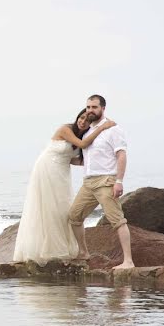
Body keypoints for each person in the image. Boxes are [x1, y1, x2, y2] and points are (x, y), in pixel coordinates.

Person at [13, 108, 116, 263]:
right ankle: (47, 249)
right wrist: (102, 127)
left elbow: (76, 160)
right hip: (47, 167)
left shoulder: (83, 135)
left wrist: (106, 160)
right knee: (49, 206)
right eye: (81, 118)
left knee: (62, 207)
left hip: (62, 171)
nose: (83, 121)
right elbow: (82, 144)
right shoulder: (66, 129)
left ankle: (63, 246)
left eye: (87, 121)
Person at [69, 94, 134, 268]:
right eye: (88, 107)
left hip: (106, 181)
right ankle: (83, 252)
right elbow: (86, 160)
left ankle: (128, 261)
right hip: (88, 183)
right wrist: (62, 160)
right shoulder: (87, 132)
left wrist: (119, 181)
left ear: (103, 108)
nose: (90, 110)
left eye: (94, 107)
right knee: (74, 216)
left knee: (117, 220)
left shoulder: (113, 129)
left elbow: (121, 155)